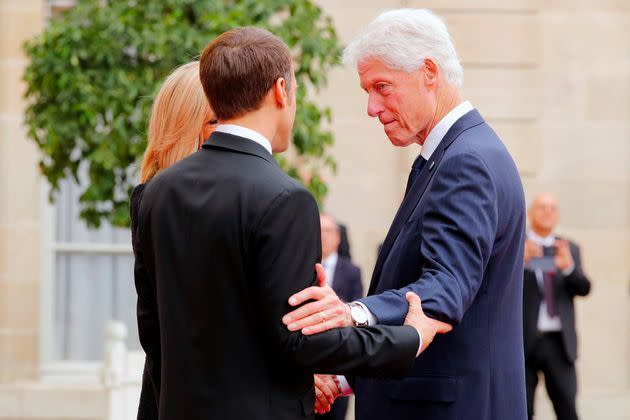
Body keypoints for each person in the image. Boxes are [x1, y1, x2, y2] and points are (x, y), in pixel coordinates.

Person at [133, 27, 450, 420]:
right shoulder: (286, 199)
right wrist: (410, 338)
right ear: (281, 91)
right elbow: (301, 342)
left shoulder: (157, 193)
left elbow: (152, 331)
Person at [282, 9, 528, 420]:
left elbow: (446, 287)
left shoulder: (465, 162)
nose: (371, 108)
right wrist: (345, 377)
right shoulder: (453, 155)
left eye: (382, 87)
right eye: (367, 91)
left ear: (429, 72)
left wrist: (353, 313)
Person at [130, 60, 218, 420]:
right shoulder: (157, 199)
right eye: (217, 121)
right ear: (187, 125)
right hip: (179, 395)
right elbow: (155, 324)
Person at [523, 192, 591, 420]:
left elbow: (583, 287)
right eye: (542, 207)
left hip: (559, 344)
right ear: (531, 212)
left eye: (553, 208)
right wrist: (518, 263)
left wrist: (569, 268)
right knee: (521, 410)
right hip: (524, 341)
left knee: (567, 408)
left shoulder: (568, 248)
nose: (548, 212)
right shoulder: (516, 246)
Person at [317, 213, 363, 420]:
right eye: (319, 232)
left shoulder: (352, 271)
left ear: (337, 236)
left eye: (327, 231)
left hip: (339, 361)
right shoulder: (303, 267)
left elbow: (357, 311)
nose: (323, 237)